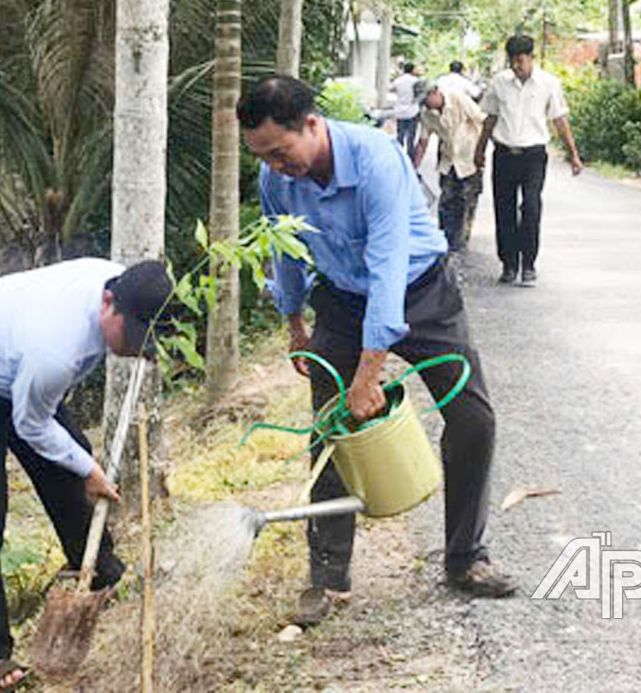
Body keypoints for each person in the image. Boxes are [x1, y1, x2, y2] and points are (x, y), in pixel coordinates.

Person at [237, 76, 517, 629]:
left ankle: (465, 558)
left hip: (421, 289)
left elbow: (388, 269)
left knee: (472, 417)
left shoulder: (375, 161)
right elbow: (285, 251)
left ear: (312, 125)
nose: (273, 166)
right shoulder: (276, 180)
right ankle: (327, 577)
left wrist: (370, 373)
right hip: (340, 299)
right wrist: (295, 324)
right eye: (261, 156)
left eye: (280, 151)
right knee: (330, 431)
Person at [0, 258, 175, 691]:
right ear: (107, 302)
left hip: (17, 366)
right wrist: (89, 470)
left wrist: (81, 466)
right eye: (132, 336)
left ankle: (100, 569)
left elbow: (40, 419)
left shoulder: (122, 285)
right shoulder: (56, 348)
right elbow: (31, 425)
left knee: (70, 464)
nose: (136, 347)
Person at [476, 35, 583, 287]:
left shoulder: (548, 83)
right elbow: (490, 118)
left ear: (531, 57)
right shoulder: (499, 83)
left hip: (534, 155)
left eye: (521, 60)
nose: (516, 65)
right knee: (505, 209)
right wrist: (479, 149)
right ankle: (509, 264)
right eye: (512, 60)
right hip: (504, 153)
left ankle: (529, 264)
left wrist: (573, 154)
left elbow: (560, 119)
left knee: (532, 207)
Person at [418, 81, 488, 252]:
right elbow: (423, 141)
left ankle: (460, 242)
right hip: (448, 160)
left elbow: (483, 120)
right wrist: (413, 166)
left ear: (435, 92)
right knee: (446, 201)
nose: (426, 105)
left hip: (469, 158)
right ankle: (445, 242)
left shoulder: (458, 99)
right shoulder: (427, 113)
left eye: (427, 99)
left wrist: (481, 149)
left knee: (467, 201)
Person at [390, 61, 423, 156]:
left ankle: (398, 155)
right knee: (411, 137)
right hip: (413, 110)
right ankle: (410, 157)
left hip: (400, 111)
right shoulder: (416, 81)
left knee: (400, 135)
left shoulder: (398, 81)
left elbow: (392, 89)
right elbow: (420, 94)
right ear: (412, 70)